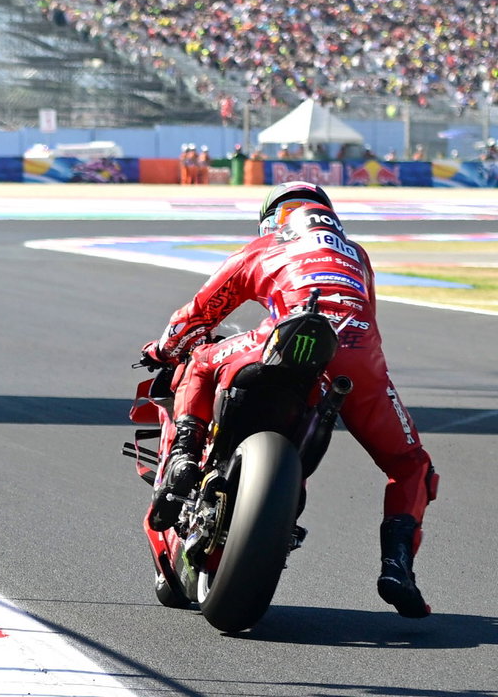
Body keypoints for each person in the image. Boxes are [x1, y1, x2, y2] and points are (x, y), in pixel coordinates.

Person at [140, 182, 438, 618]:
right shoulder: (357, 255)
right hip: (359, 361)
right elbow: (364, 312)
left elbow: (199, 312)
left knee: (200, 358)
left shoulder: (265, 246)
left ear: (272, 219)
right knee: (413, 466)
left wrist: (163, 349)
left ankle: (184, 454)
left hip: (279, 343)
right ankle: (398, 567)